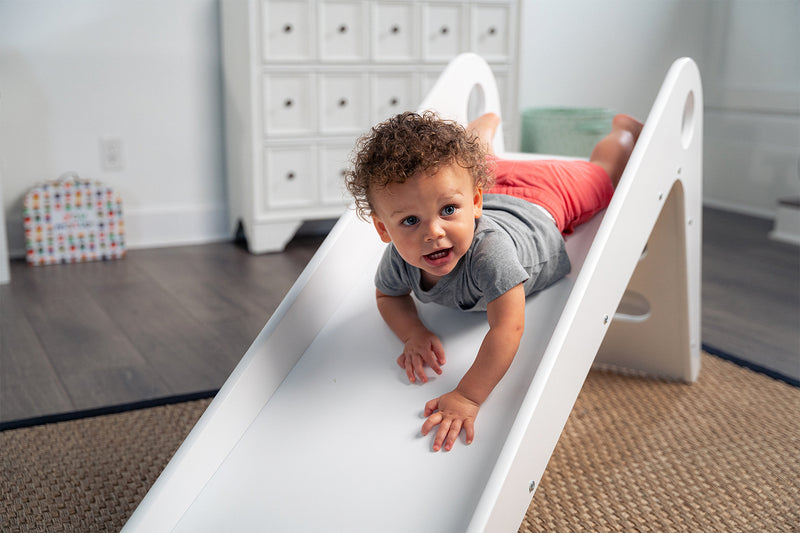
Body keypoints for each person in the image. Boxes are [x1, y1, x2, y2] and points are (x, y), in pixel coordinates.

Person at [345, 110, 643, 452]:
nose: (434, 232)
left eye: (447, 211)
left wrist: (468, 397)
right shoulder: (401, 256)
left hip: (547, 198)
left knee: (602, 175)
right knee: (477, 165)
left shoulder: (490, 253)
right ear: (384, 229)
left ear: (475, 202)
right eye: (411, 220)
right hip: (493, 184)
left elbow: (507, 328)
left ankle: (623, 132)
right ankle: (480, 136)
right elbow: (388, 297)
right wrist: (413, 333)